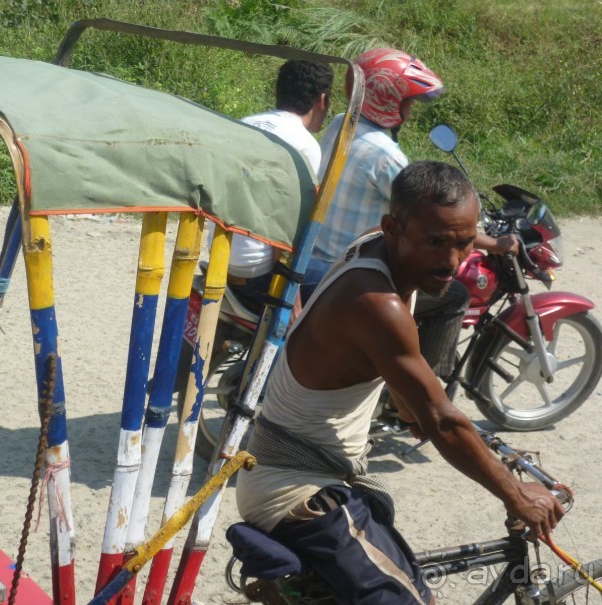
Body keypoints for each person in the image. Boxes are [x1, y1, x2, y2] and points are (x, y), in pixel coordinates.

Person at [236, 161, 563, 605]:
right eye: (435, 243)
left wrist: (413, 410)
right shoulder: (377, 304)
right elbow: (443, 422)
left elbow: (408, 392)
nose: (451, 262)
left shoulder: (378, 249)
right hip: (297, 490)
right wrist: (515, 493)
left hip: (315, 472)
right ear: (393, 228)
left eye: (464, 243)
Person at [303, 48, 517, 380]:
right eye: (409, 102)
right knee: (454, 296)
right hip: (351, 266)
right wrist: (495, 244)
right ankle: (422, 385)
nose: (411, 110)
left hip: (317, 252)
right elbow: (433, 219)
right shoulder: (384, 154)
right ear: (387, 98)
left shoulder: (340, 123)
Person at [215, 59, 332, 316]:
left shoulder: (245, 122)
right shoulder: (304, 145)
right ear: (322, 100)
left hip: (222, 262)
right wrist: (292, 303)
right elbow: (287, 230)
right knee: (342, 280)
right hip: (257, 275)